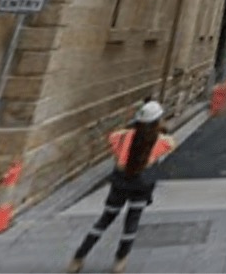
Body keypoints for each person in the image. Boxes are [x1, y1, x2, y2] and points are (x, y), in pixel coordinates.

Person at [67, 101, 176, 274]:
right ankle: (120, 261)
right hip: (142, 185)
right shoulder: (159, 142)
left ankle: (78, 257)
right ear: (157, 121)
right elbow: (170, 142)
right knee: (131, 223)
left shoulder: (122, 137)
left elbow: (113, 137)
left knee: (105, 220)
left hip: (120, 183)